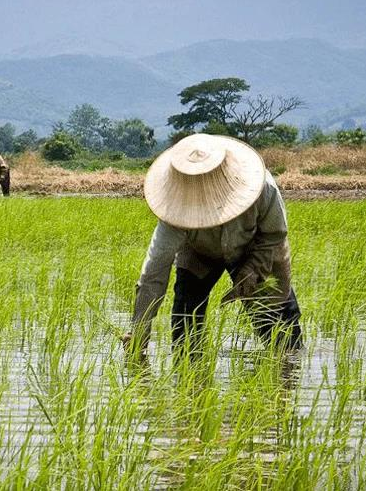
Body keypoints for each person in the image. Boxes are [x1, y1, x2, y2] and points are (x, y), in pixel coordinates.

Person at [122, 134, 301, 362]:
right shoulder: (174, 210)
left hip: (255, 249)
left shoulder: (262, 188)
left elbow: (274, 234)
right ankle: (190, 385)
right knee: (185, 330)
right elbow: (154, 272)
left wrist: (252, 270)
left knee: (283, 334)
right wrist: (139, 332)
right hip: (198, 253)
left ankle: (285, 377)